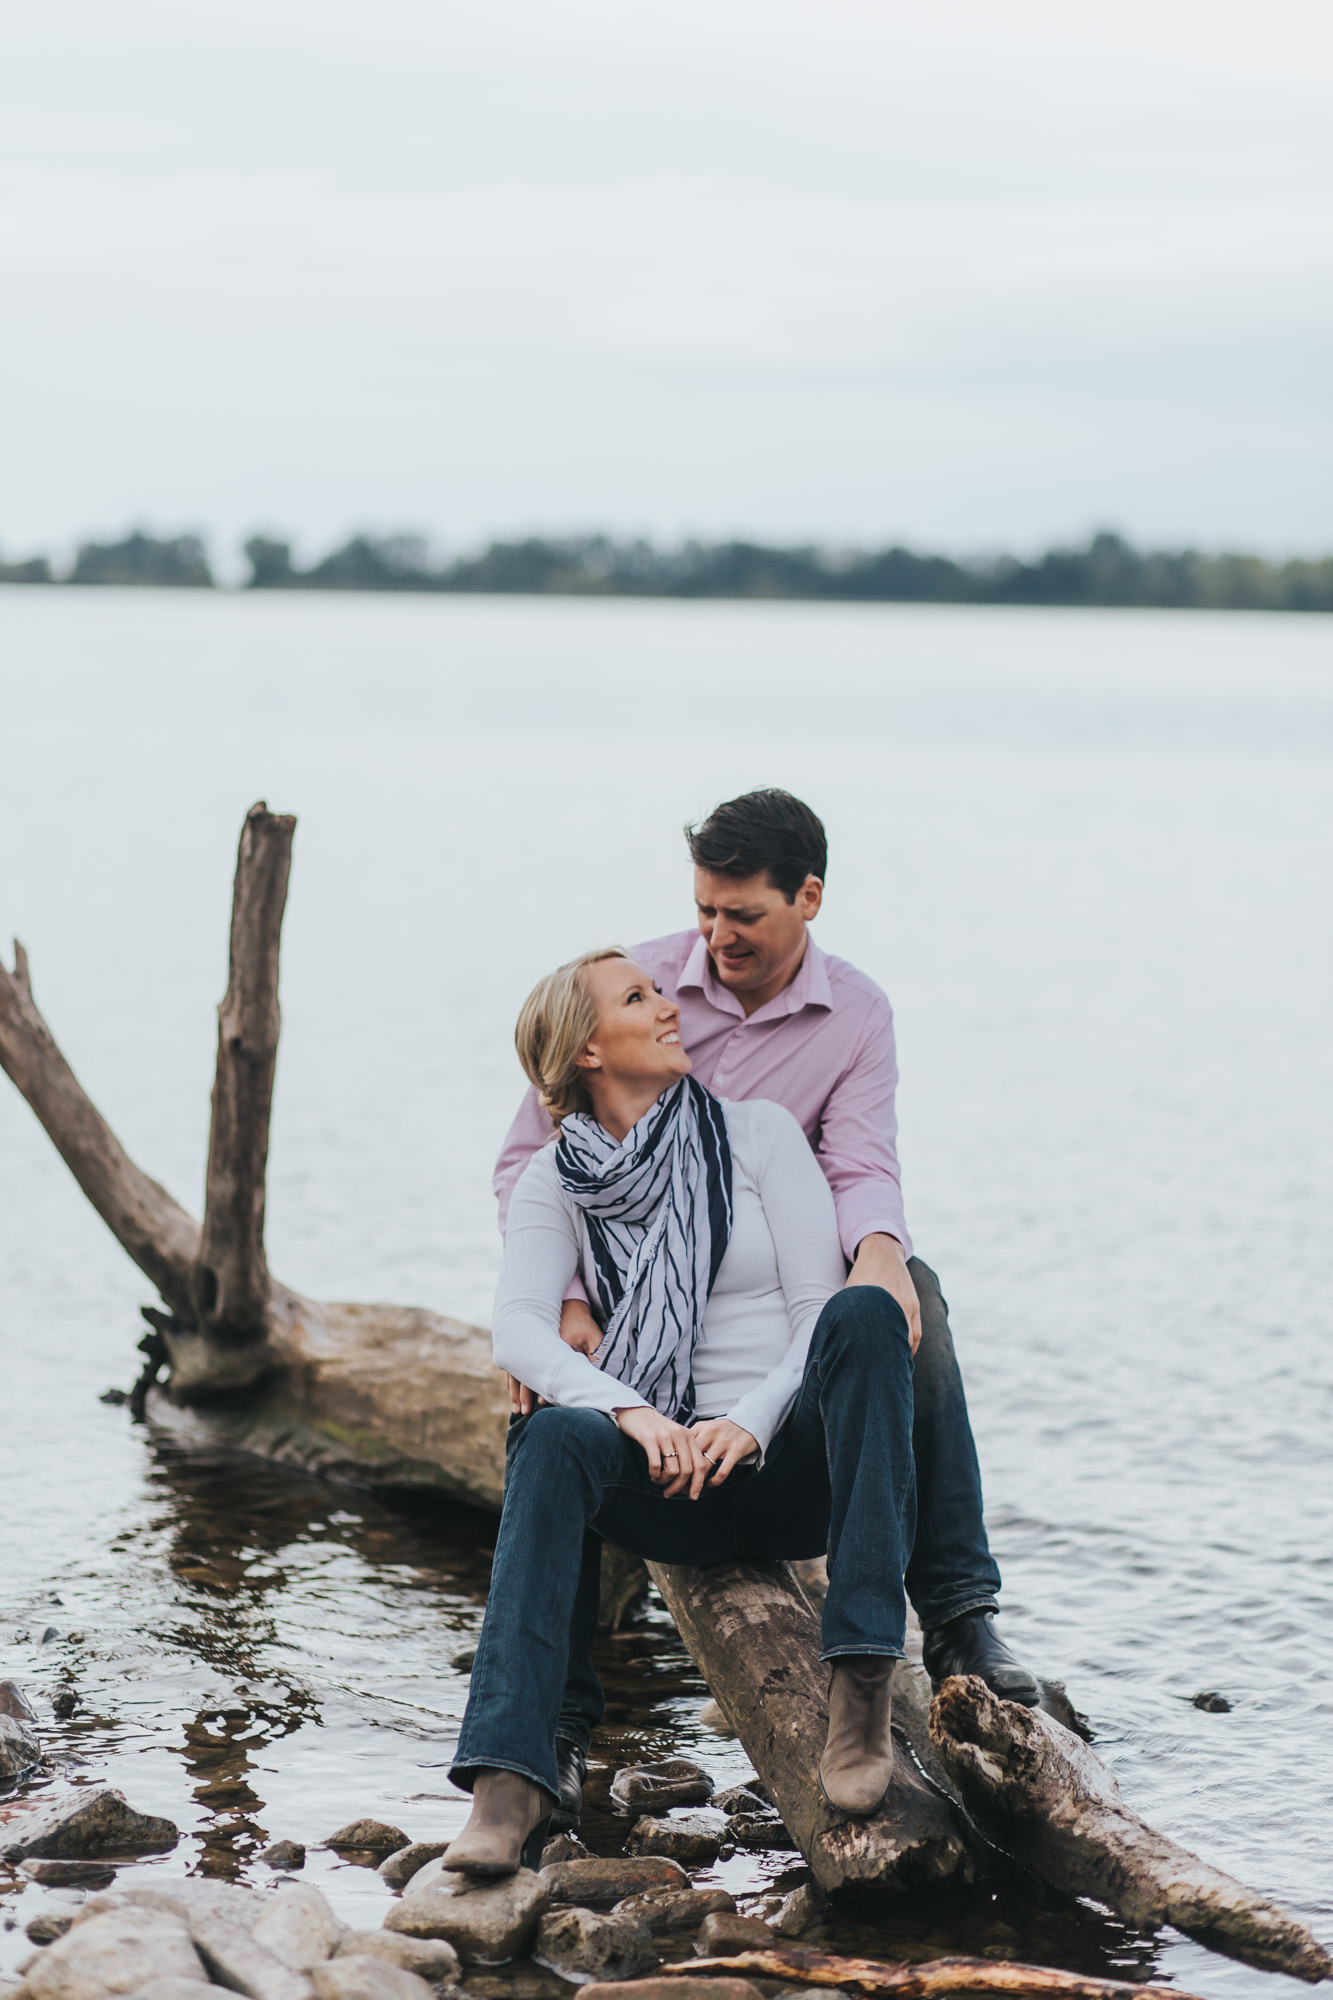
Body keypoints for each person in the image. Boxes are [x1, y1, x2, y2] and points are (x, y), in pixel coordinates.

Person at [495, 789, 1039, 1829]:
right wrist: (566, 1303)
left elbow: (861, 1163)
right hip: (638, 1322)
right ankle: (537, 1743)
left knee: (903, 1297)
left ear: (808, 899)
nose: (715, 937)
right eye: (704, 908)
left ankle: (957, 1616)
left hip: (784, 1302)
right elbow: (536, 1152)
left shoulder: (854, 1018)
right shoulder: (635, 990)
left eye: (741, 913)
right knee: (542, 1416)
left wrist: (878, 1249)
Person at [445, 948, 917, 1876]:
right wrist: (634, 1417)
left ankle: (861, 1681)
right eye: (638, 997)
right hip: (665, 1480)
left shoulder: (759, 1135)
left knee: (865, 1312)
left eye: (659, 991)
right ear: (585, 1049)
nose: (670, 1006)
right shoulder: (555, 1178)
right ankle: (514, 1774)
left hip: (782, 1467)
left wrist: (746, 1419)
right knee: (546, 1433)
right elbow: (518, 1330)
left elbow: (815, 1314)